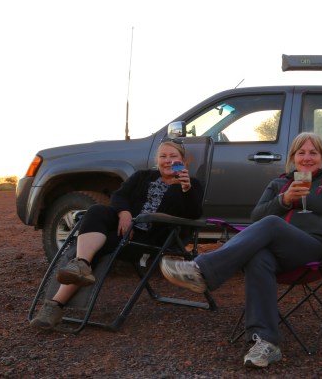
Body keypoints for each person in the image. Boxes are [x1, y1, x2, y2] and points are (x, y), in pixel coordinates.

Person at [159, 132, 322, 369]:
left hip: (314, 249)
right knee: (258, 257)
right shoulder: (278, 184)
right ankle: (266, 343)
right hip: (278, 254)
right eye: (301, 152)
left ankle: (202, 269)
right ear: (292, 157)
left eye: (313, 152)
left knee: (272, 224)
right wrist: (284, 199)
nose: (307, 158)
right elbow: (256, 217)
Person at [30, 138, 204, 330]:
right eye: (163, 156)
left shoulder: (191, 185)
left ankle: (54, 305)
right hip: (123, 230)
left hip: (146, 238)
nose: (168, 160)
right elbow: (119, 196)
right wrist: (125, 213)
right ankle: (81, 264)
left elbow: (193, 215)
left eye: (174, 156)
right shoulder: (142, 177)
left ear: (183, 161)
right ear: (157, 160)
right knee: (96, 210)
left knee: (96, 249)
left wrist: (186, 190)